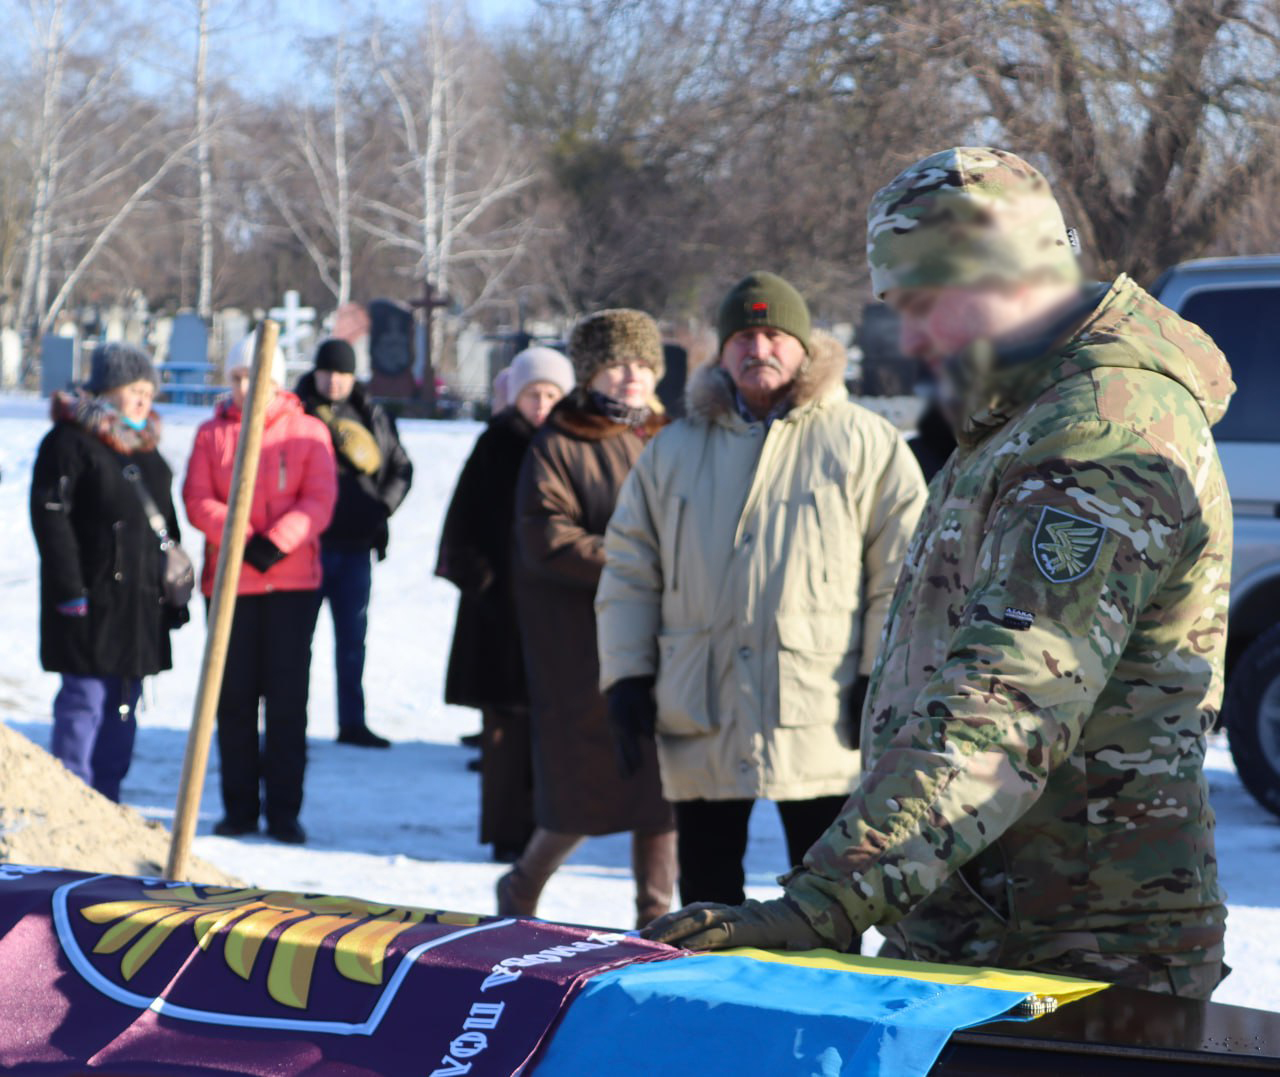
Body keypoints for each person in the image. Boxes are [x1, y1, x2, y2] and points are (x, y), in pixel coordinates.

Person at [646, 148, 1235, 1000]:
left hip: (1074, 956)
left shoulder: (1100, 430)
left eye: (922, 304)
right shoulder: (1019, 418)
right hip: (984, 926)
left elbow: (1011, 696)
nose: (912, 340)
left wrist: (830, 900)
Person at [597, 273, 927, 914]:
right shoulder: (674, 449)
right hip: (703, 701)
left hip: (821, 708)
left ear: (804, 347)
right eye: (743, 336)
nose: (759, 349)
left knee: (830, 898)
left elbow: (905, 573)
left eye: (774, 334)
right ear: (722, 351)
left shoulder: (863, 442)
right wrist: (627, 675)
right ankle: (712, 1011)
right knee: (706, 899)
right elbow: (630, 568)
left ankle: (828, 1012)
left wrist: (878, 674)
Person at [500, 309, 677, 928]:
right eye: (617, 363)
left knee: (662, 789)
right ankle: (523, 887)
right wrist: (636, 565)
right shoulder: (560, 441)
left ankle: (655, 920)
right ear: (591, 373)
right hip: (582, 644)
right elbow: (546, 536)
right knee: (583, 787)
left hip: (665, 639)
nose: (632, 375)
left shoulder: (669, 434)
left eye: (642, 362)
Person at [182, 335, 337, 844]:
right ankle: (240, 808)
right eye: (239, 377)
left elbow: (318, 497)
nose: (247, 387)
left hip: (292, 583)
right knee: (234, 699)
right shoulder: (212, 435)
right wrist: (243, 538)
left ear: (276, 382)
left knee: (288, 701)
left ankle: (284, 811)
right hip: (232, 585)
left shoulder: (307, 430)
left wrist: (279, 540)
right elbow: (198, 497)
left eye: (258, 378)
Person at [29, 343, 188, 802]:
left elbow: (167, 526)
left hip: (139, 603)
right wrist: (69, 589)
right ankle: (73, 802)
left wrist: (169, 588)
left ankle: (108, 802)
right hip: (89, 597)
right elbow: (50, 519)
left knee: (124, 705)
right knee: (85, 702)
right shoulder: (69, 441)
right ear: (107, 389)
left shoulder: (149, 450)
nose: (142, 399)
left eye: (147, 390)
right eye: (132, 389)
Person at [437, 346, 577, 863]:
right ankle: (504, 831)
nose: (541, 404)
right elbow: (463, 523)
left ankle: (549, 827)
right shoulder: (493, 444)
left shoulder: (570, 445)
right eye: (532, 394)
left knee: (553, 725)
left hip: (556, 613)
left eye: (550, 394)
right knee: (504, 732)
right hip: (499, 612)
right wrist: (485, 581)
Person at [295, 339, 414, 749]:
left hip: (358, 547)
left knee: (352, 640)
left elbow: (401, 467)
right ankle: (294, 722)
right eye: (328, 372)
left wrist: (381, 508)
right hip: (307, 547)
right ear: (316, 372)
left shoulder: (373, 414)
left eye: (343, 373)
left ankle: (352, 722)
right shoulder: (297, 411)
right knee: (297, 643)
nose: (335, 381)